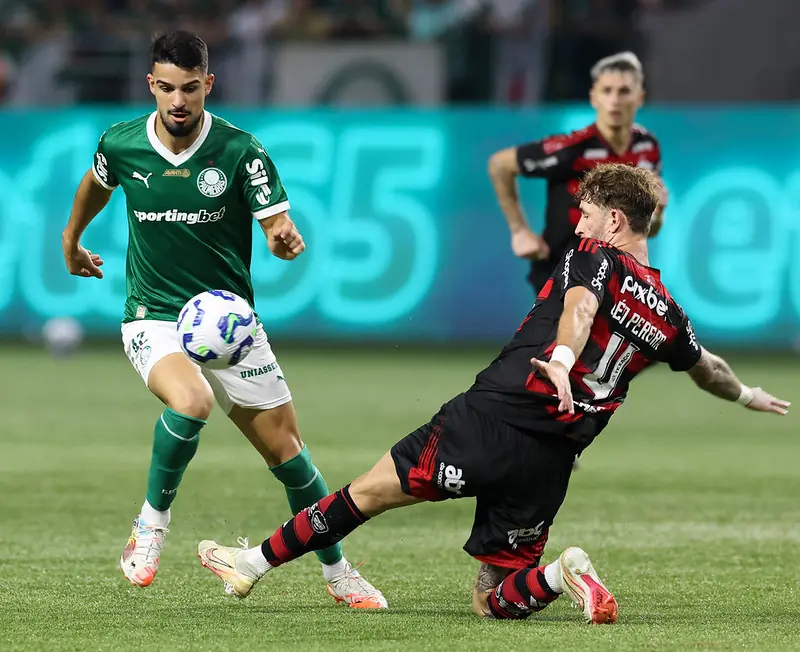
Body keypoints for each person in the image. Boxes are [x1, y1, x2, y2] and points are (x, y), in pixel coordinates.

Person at [196, 163, 789, 623]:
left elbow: (580, 311)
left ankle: (248, 564)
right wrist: (747, 396)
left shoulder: (595, 258)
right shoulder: (670, 316)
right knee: (492, 600)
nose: (577, 226)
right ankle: (559, 575)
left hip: (494, 418)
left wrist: (561, 359)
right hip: (552, 459)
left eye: (585, 214)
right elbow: (708, 368)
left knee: (367, 493)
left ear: (614, 221)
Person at [61, 30, 385, 608]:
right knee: (191, 402)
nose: (178, 100)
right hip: (154, 315)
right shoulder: (122, 143)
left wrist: (282, 239)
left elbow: (276, 225)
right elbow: (96, 183)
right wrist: (71, 240)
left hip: (229, 327)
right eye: (167, 88)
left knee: (293, 460)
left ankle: (339, 573)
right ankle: (151, 523)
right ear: (151, 85)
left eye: (190, 88)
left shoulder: (241, 151)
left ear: (208, 84)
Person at [489, 51, 667, 296]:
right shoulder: (573, 148)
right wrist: (519, 231)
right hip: (562, 271)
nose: (615, 100)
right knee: (574, 320)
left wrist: (658, 213)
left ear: (639, 98)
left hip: (615, 277)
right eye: (607, 91)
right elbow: (500, 164)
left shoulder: (648, 147)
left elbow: (647, 229)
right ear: (594, 97)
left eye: (624, 91)